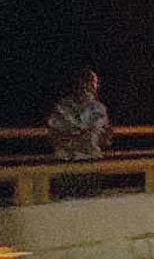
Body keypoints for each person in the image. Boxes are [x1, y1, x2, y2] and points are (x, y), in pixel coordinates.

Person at [47, 68, 112, 199]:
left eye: (93, 84)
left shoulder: (99, 108)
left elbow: (105, 139)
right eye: (87, 83)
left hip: (92, 160)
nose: (89, 88)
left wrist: (106, 137)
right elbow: (54, 136)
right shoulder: (62, 107)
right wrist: (78, 137)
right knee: (67, 201)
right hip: (67, 161)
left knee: (91, 201)